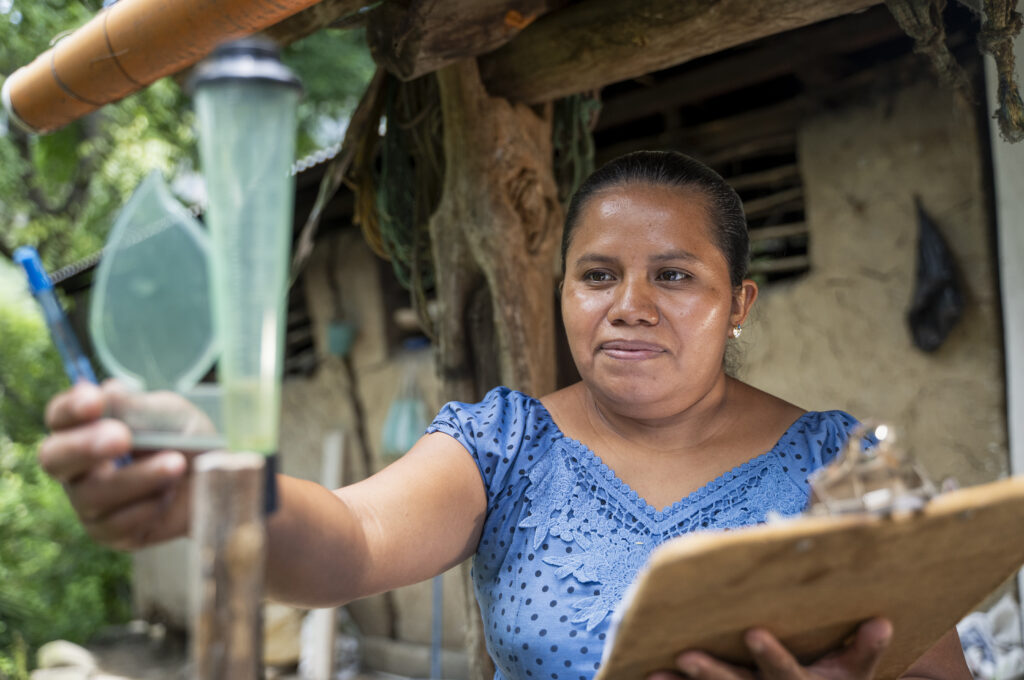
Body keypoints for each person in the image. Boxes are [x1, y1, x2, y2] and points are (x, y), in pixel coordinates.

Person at [40, 151, 971, 680]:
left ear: (739, 304)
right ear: (564, 291)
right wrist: (218, 486)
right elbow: (355, 539)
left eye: (676, 277)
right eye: (597, 275)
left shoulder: (837, 463)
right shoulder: (507, 444)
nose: (629, 306)